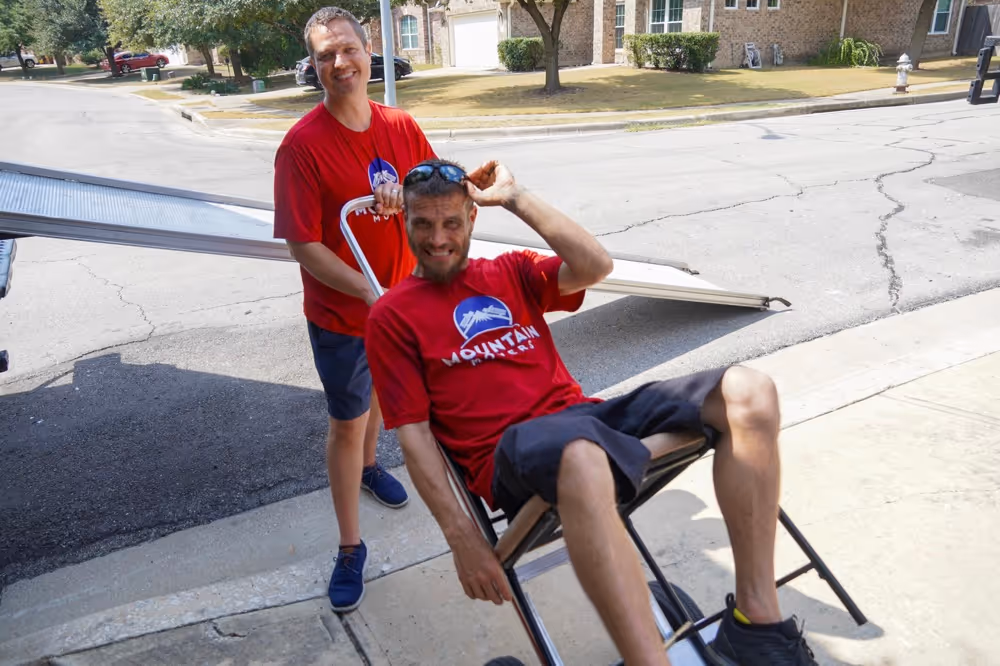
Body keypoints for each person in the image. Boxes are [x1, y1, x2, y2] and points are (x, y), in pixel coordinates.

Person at [365, 158, 819, 666]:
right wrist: (463, 539)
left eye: (451, 222)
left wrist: (516, 198)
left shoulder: (509, 270)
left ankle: (756, 624)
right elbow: (415, 436)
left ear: (473, 218)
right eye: (422, 223)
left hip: (585, 420)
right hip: (513, 452)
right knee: (582, 458)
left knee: (749, 391)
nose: (438, 239)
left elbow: (595, 266)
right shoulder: (392, 316)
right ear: (404, 222)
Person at [272, 6, 436, 613]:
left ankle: (371, 468)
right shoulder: (301, 148)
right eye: (324, 55)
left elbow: (434, 189)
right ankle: (349, 547)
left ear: (370, 53)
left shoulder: (400, 124)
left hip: (398, 305)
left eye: (347, 49)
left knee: (377, 404)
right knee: (347, 419)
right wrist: (368, 293)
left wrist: (412, 193)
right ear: (313, 67)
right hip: (344, 318)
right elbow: (303, 245)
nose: (338, 63)